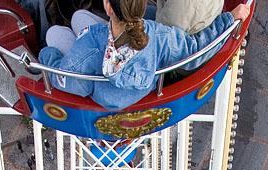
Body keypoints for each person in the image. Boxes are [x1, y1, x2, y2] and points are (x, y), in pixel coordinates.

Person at [39, 0, 249, 111]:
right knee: (78, 19)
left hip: (103, 97)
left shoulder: (92, 42)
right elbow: (194, 49)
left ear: (108, 6)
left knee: (58, 31)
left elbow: (70, 82)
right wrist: (228, 20)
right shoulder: (159, 34)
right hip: (144, 91)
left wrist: (48, 56)